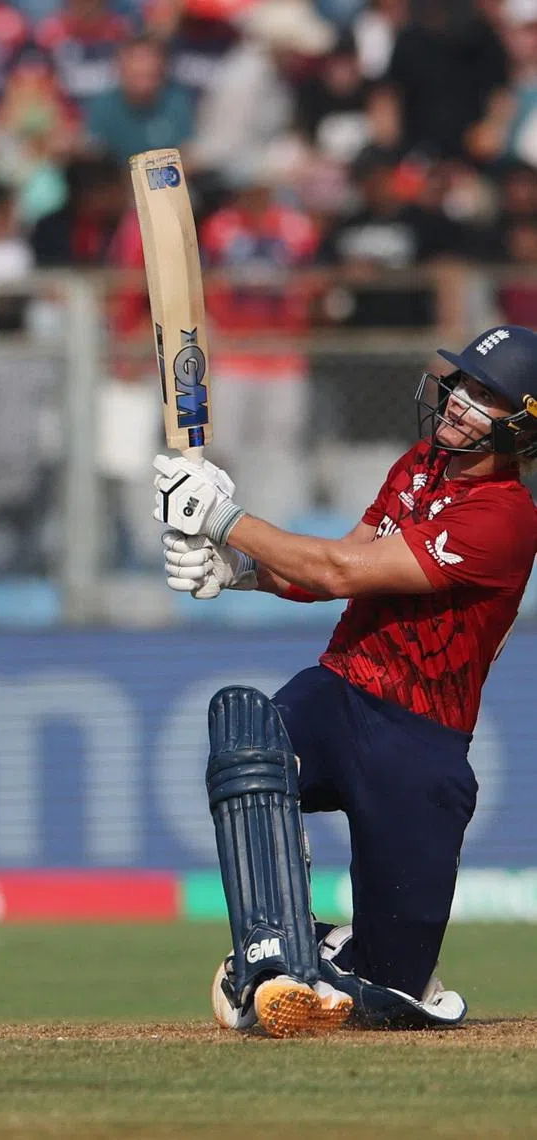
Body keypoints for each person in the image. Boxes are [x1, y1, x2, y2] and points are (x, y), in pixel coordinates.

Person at [154, 327, 537, 1037]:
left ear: (521, 424)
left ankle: (332, 955)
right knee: (249, 736)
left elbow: (338, 573)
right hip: (341, 691)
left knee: (392, 992)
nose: (458, 399)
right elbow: (341, 563)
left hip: (420, 745)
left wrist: (225, 521)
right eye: (461, 382)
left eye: (484, 395)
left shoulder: (505, 518)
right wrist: (240, 573)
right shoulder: (419, 465)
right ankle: (274, 955)